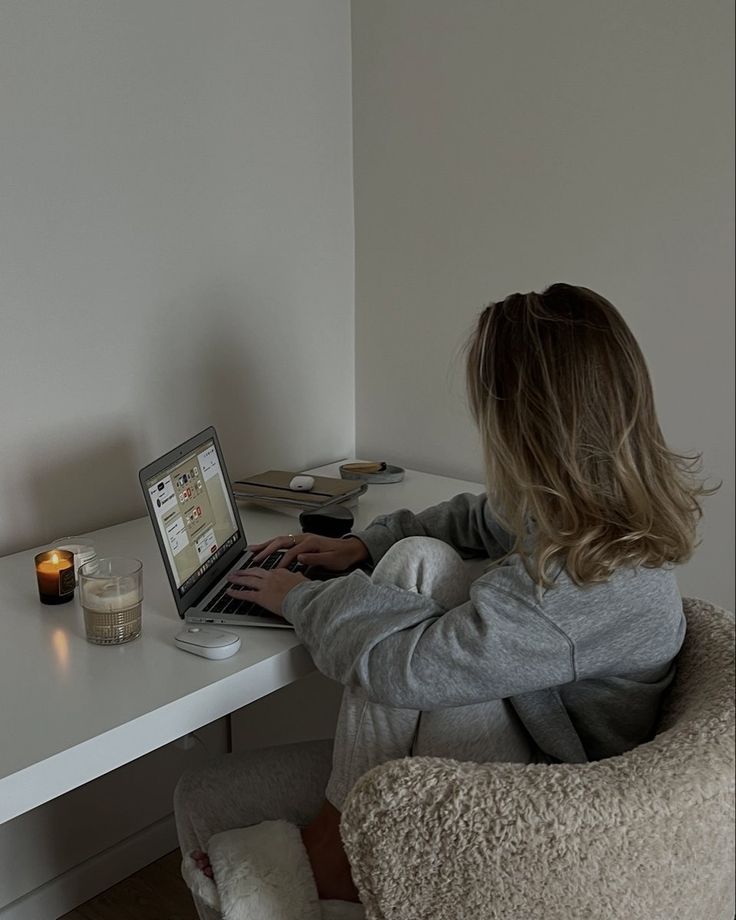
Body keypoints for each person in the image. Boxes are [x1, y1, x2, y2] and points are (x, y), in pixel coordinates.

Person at [175, 283, 711, 915]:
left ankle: (336, 846)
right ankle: (341, 836)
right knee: (418, 558)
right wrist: (367, 547)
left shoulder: (581, 585)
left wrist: (300, 598)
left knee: (408, 603)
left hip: (551, 796)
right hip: (532, 723)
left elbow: (404, 668)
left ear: (525, 427)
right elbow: (484, 517)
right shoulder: (591, 514)